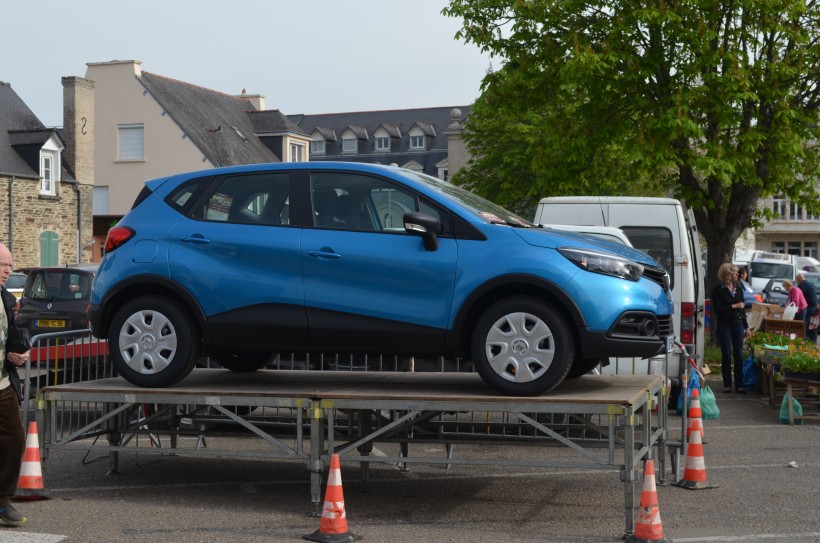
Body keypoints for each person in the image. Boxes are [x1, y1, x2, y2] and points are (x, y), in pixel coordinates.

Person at [0, 243, 30, 526]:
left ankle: (2, 501)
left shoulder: (7, 299)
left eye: (9, 265)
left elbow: (14, 336)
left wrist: (19, 352)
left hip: (3, 384)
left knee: (15, 441)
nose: (8, 270)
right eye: (2, 265)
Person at [710, 263, 751, 393]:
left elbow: (742, 308)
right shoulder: (718, 290)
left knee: (738, 354)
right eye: (735, 273)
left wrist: (747, 327)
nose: (737, 275)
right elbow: (717, 309)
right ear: (728, 274)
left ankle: (739, 384)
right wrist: (734, 306)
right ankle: (727, 384)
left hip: (738, 324)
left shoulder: (739, 288)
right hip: (724, 325)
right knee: (726, 354)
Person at [795, 273, 818, 342]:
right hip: (814, 306)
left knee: (806, 324)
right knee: (813, 325)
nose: (796, 281)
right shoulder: (809, 284)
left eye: (796, 280)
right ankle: (813, 341)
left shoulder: (802, 285)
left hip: (809, 307)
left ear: (798, 279)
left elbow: (798, 296)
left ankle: (807, 340)